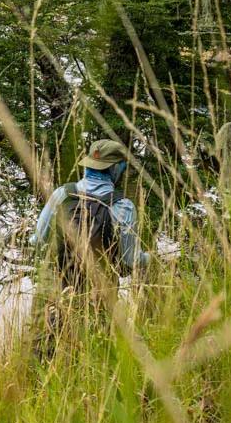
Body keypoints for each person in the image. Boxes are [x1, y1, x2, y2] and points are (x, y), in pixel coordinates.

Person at [29, 139, 150, 353]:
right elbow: (130, 261)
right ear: (116, 169)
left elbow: (37, 240)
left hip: (53, 284)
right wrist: (152, 258)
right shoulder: (123, 207)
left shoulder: (62, 194)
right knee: (94, 352)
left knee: (40, 350)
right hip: (97, 292)